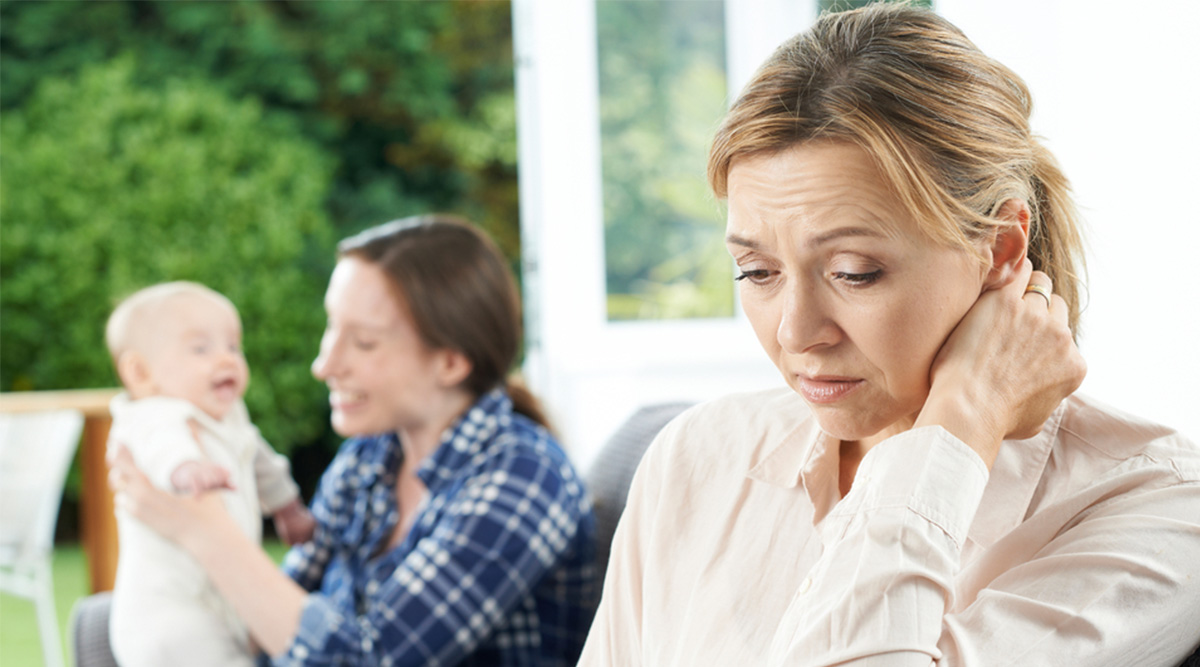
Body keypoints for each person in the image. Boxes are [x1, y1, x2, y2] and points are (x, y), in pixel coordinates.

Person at [580, 4, 1200, 666]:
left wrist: (963, 420)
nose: (796, 331)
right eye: (756, 270)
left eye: (855, 272)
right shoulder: (697, 454)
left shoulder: (1155, 504)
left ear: (1000, 249)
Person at [109, 215, 598, 666]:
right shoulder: (370, 459)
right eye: (331, 327)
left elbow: (370, 659)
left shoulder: (523, 477)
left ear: (450, 362)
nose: (324, 365)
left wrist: (203, 530)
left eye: (363, 342)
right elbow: (277, 615)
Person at [103, 281, 315, 667]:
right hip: (167, 613)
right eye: (200, 349)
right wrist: (186, 470)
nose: (226, 360)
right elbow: (161, 448)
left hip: (218, 596)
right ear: (140, 372)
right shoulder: (151, 414)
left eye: (233, 346)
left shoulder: (229, 419)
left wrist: (287, 507)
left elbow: (262, 461)